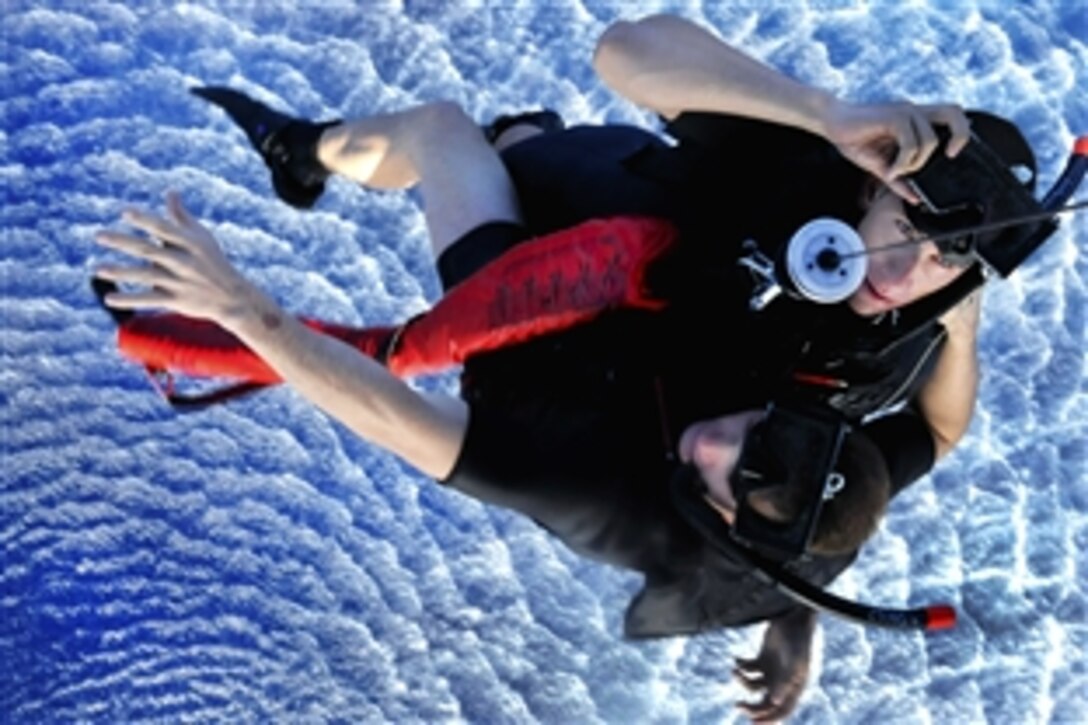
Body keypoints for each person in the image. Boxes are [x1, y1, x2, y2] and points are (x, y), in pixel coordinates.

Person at [93, 13, 1045, 721]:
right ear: (872, 188)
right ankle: (516, 144)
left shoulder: (603, 490)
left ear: (721, 518)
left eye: (947, 259)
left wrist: (241, 310)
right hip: (655, 245)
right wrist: (824, 116)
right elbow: (622, 52)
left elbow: (389, 411)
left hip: (547, 338)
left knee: (441, 132)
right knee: (535, 149)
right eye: (915, 235)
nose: (909, 274)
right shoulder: (856, 344)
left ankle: (301, 152)